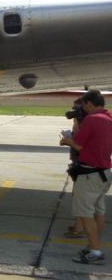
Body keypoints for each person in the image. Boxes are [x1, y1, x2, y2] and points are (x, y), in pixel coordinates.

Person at [60, 89, 112, 265]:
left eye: (84, 106)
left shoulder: (91, 119)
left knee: (85, 213)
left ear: (89, 104)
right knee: (99, 210)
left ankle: (95, 253)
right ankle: (94, 246)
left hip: (89, 174)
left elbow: (79, 145)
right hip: (104, 172)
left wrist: (67, 140)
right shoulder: (109, 118)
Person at [64, 98, 85, 238]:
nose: (73, 112)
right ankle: (80, 224)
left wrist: (68, 140)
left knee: (79, 195)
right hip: (80, 163)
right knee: (78, 194)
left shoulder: (83, 124)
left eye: (76, 109)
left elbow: (78, 141)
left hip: (82, 164)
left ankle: (79, 227)